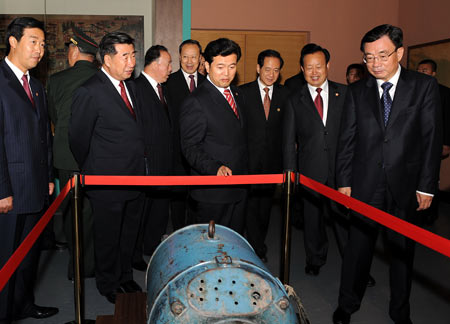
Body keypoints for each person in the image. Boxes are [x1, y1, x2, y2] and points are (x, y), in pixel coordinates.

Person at [333, 24, 442, 324]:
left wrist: (427, 186)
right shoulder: (357, 91)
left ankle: (400, 311)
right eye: (368, 57)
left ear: (400, 53)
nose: (375, 63)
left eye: (382, 55)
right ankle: (348, 304)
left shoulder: (423, 87)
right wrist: (343, 182)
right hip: (365, 186)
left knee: (402, 255)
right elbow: (347, 140)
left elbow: (431, 139)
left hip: (406, 186)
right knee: (357, 252)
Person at [69, 31, 147, 304]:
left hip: (136, 177)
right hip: (106, 181)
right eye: (125, 56)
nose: (131, 61)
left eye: (133, 55)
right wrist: (94, 169)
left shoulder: (132, 87)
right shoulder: (89, 91)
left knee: (129, 233)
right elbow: (77, 138)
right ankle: (107, 282)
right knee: (107, 236)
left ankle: (125, 276)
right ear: (107, 58)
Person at [0, 17, 58, 322]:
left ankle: (24, 304)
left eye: (43, 44)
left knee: (28, 256)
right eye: (33, 42)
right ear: (13, 41)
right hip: (9, 192)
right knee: (6, 258)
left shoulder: (36, 85)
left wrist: (49, 178)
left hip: (36, 187)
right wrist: (2, 190)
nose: (40, 50)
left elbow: (44, 137)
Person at [283, 43, 348, 276]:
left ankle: (354, 265)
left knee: (345, 222)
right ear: (302, 69)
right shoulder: (294, 99)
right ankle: (315, 258)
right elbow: (289, 141)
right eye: (308, 67)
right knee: (313, 220)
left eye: (318, 66)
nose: (314, 72)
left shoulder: (345, 94)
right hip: (310, 171)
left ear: (328, 66)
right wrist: (290, 173)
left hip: (342, 172)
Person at [179, 38, 248, 234]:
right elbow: (190, 147)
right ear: (207, 66)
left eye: (232, 66)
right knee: (212, 251)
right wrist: (215, 167)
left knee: (234, 246)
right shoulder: (196, 101)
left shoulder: (237, 94)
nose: (227, 73)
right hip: (213, 192)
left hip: (239, 187)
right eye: (220, 67)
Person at [47, 25, 98, 281]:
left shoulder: (56, 81)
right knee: (93, 210)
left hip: (66, 156)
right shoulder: (102, 79)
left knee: (71, 211)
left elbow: (53, 118)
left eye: (69, 48)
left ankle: (77, 265)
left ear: (75, 51)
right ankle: (90, 263)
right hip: (97, 156)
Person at [239, 49, 289, 262]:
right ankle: (256, 246)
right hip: (248, 161)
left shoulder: (285, 94)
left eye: (276, 70)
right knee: (249, 205)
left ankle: (258, 241)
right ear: (258, 68)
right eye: (267, 69)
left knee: (266, 207)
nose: (271, 74)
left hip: (272, 163)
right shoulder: (243, 92)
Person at [133, 45, 173, 269]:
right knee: (141, 214)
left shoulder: (161, 89)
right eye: (167, 64)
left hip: (162, 165)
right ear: (156, 64)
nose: (170, 68)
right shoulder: (137, 89)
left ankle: (150, 247)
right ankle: (135, 254)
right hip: (146, 166)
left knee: (157, 213)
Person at [165, 39, 206, 230]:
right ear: (179, 57)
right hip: (176, 151)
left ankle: (196, 233)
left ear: (200, 59)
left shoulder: (208, 83)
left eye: (194, 57)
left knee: (198, 197)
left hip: (203, 151)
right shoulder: (168, 82)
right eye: (185, 57)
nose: (190, 61)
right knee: (178, 197)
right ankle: (179, 233)